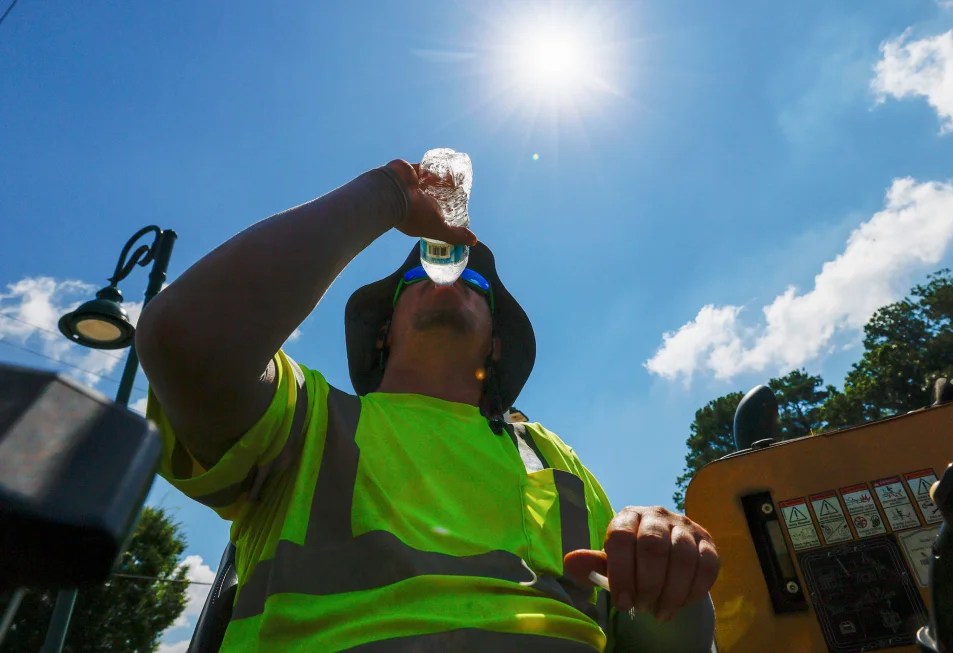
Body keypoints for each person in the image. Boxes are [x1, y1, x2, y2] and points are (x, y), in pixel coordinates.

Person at [136, 159, 720, 651]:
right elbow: (185, 335)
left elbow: (661, 637)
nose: (448, 275)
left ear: (495, 341)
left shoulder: (558, 463)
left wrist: (671, 564)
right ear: (384, 330)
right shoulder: (307, 419)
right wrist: (384, 195)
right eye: (418, 272)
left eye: (479, 284)